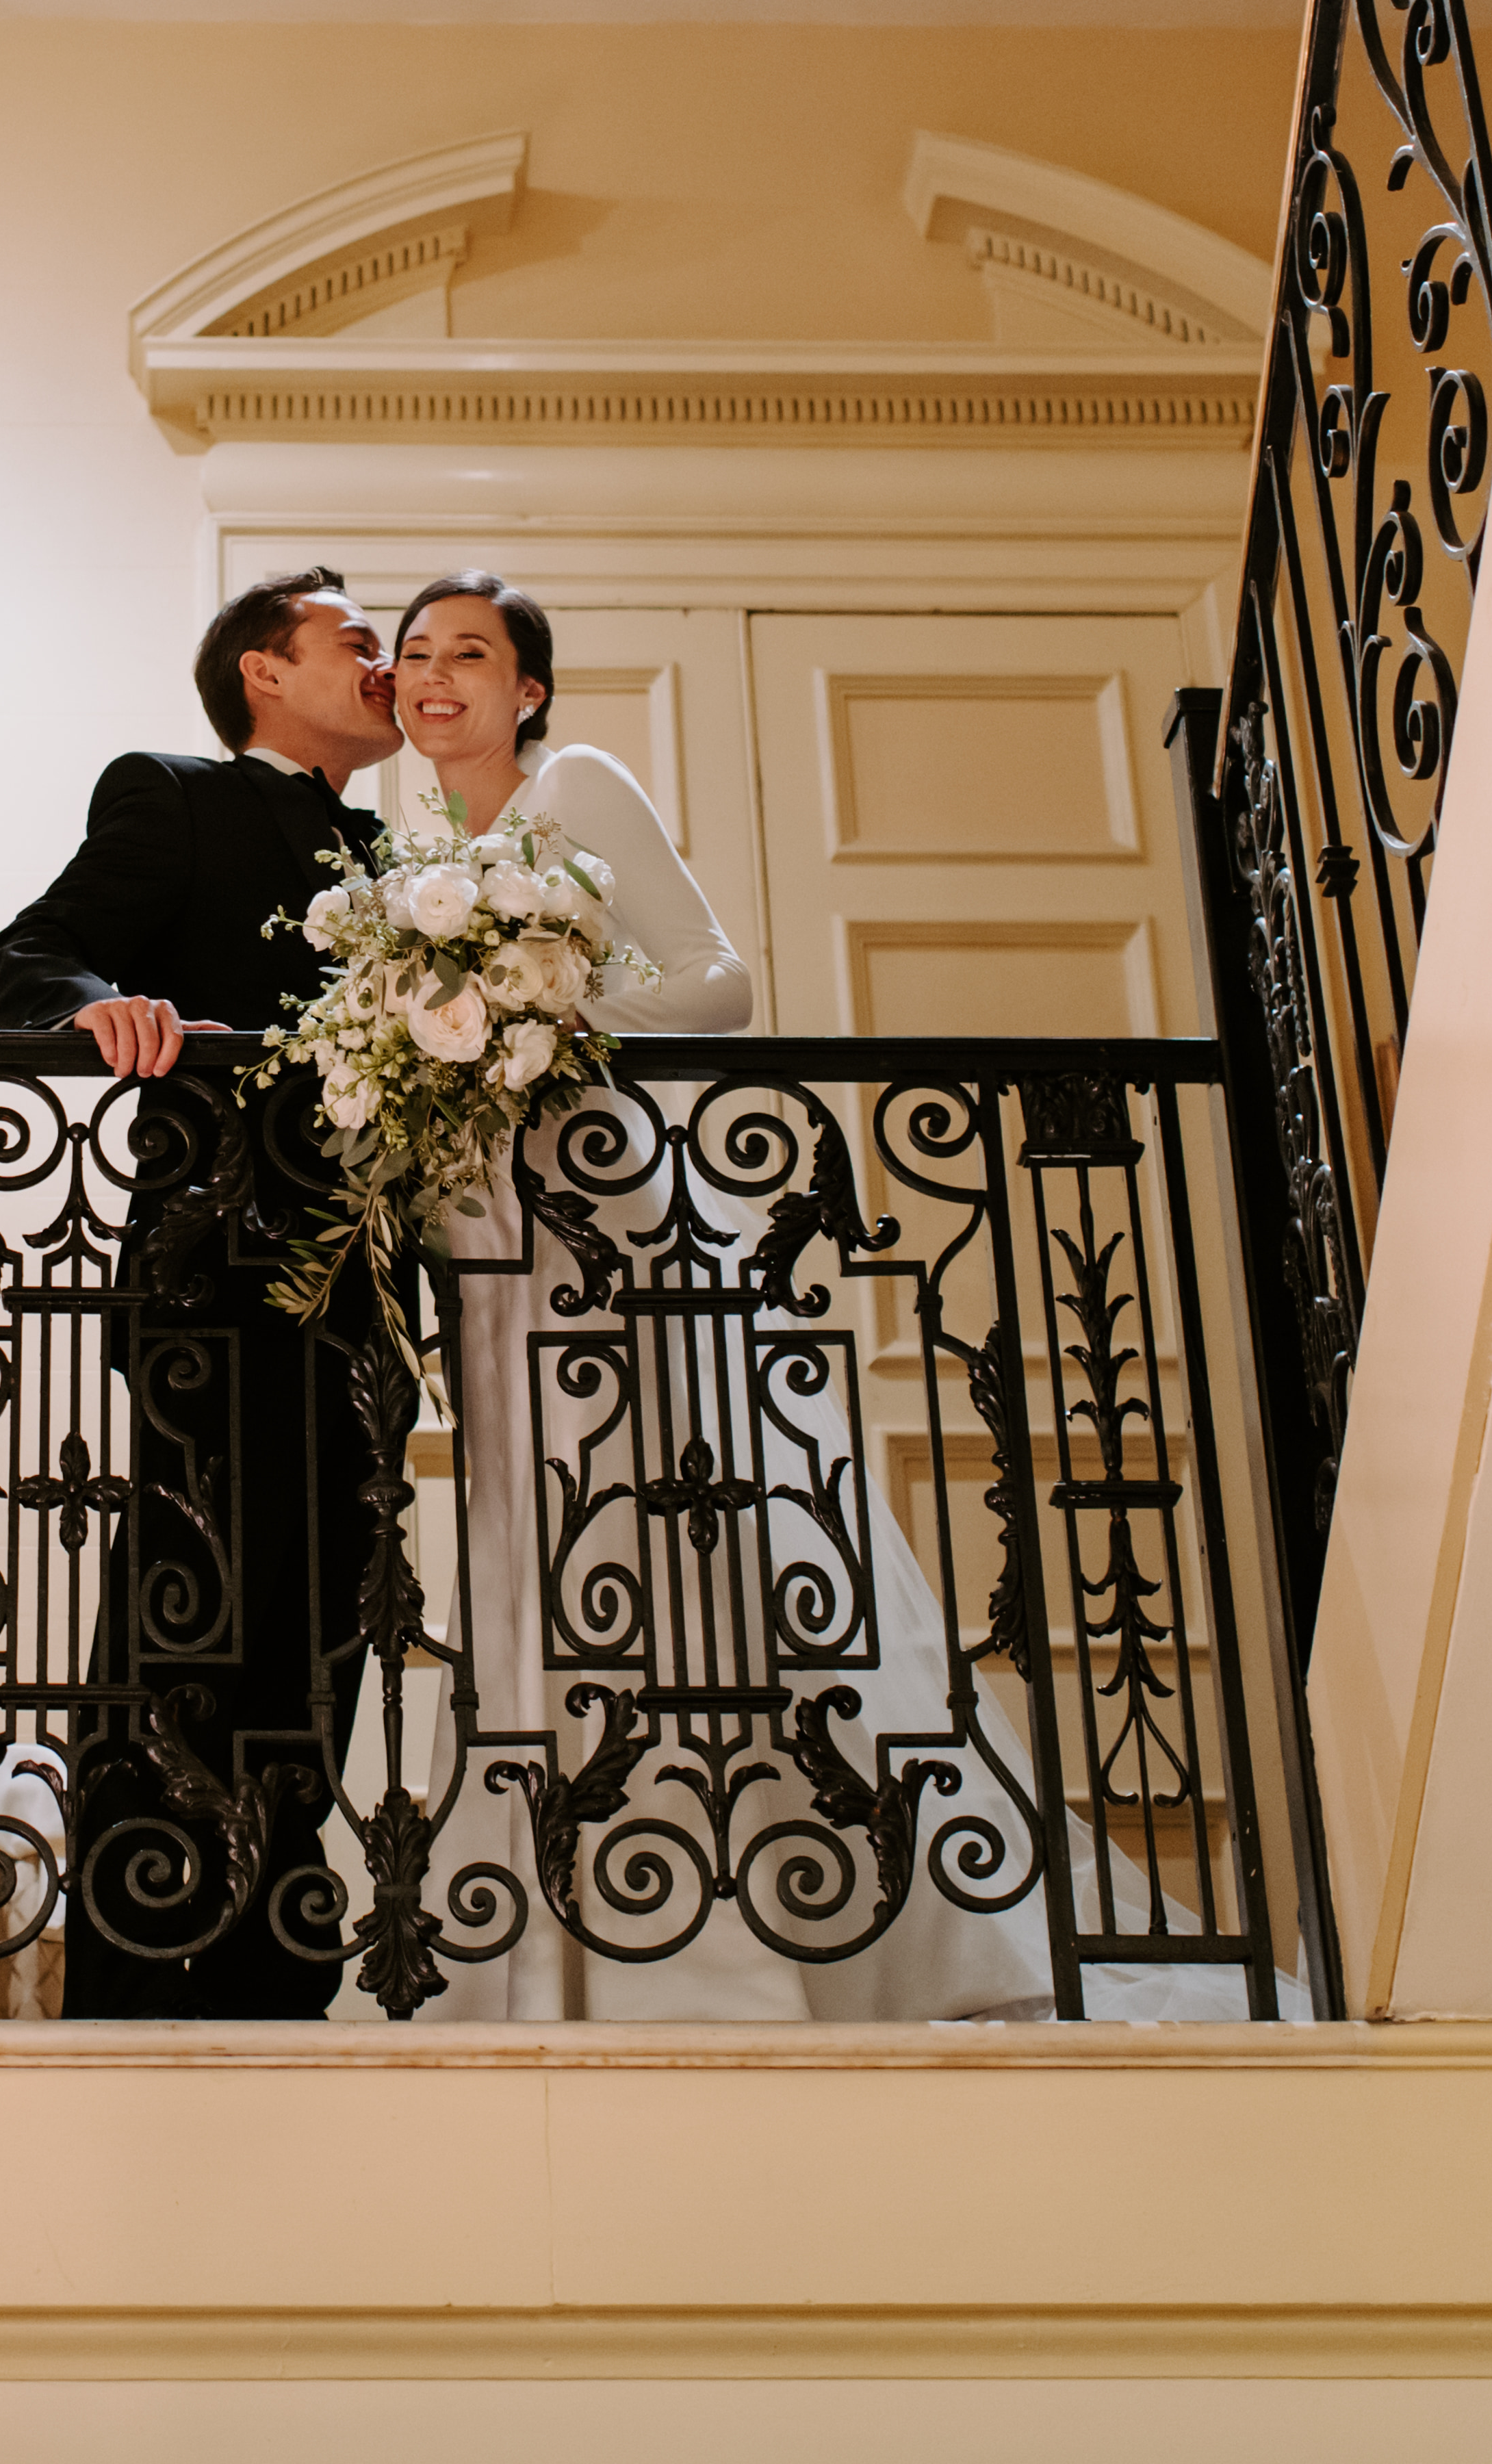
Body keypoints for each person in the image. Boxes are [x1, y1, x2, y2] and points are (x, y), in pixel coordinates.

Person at [389, 569, 1088, 2022]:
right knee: (535, 1533)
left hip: (615, 1218)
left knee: (685, 1523)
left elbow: (718, 985)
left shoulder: (573, 785)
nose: (434, 676)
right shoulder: (414, 850)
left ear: (528, 688)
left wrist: (539, 1017)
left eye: (472, 653)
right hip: (495, 1238)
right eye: (414, 654)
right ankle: (555, 1939)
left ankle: (757, 1926)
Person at [0, 567, 401, 2018]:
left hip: (367, 1295)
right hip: (218, 1276)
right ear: (263, 674)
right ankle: (143, 1978)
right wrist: (94, 1005)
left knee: (326, 1631)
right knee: (192, 1622)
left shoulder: (400, 853)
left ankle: (280, 1971)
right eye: (358, 640)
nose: (386, 664)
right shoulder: (175, 793)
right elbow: (28, 951)